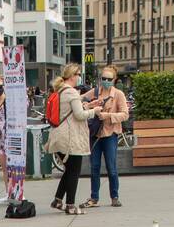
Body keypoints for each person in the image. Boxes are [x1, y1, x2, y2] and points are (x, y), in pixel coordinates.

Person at [46, 63, 98, 215]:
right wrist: (94, 111)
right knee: (74, 171)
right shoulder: (71, 92)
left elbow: (72, 109)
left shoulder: (62, 90)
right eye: (78, 74)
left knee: (69, 170)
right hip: (69, 138)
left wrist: (87, 106)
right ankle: (70, 205)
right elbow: (79, 115)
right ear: (73, 76)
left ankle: (57, 200)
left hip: (59, 136)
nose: (80, 77)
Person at [82, 63, 130, 208]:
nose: (106, 81)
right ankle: (94, 197)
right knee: (94, 166)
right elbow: (80, 100)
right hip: (95, 134)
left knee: (111, 166)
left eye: (109, 79)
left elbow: (125, 114)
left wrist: (108, 115)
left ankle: (114, 196)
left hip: (110, 134)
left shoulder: (118, 95)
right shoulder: (95, 92)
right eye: (104, 78)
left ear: (114, 80)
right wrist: (89, 107)